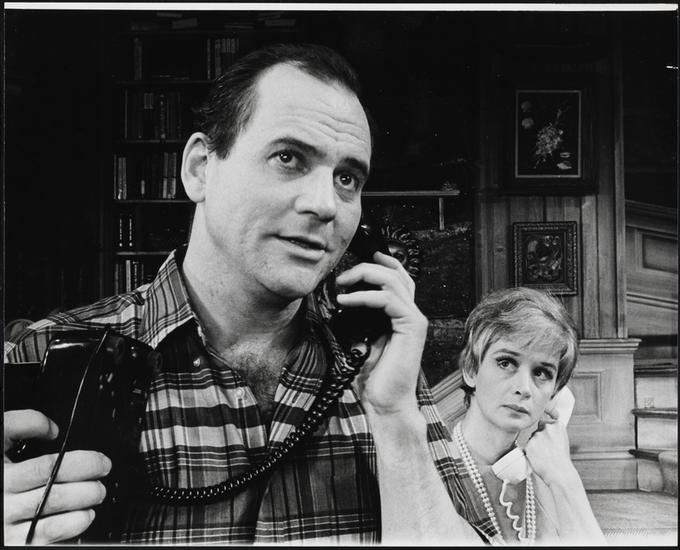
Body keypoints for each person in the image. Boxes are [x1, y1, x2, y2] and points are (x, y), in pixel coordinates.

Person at [3, 43, 482, 546]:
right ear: (200, 169)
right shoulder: (47, 354)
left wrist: (395, 420)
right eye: (288, 158)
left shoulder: (377, 366)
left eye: (346, 178)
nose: (326, 205)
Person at [450, 286, 607, 545]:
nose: (524, 388)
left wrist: (564, 477)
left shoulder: (549, 476)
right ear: (471, 370)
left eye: (541, 372)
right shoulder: (434, 469)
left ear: (555, 391)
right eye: (506, 362)